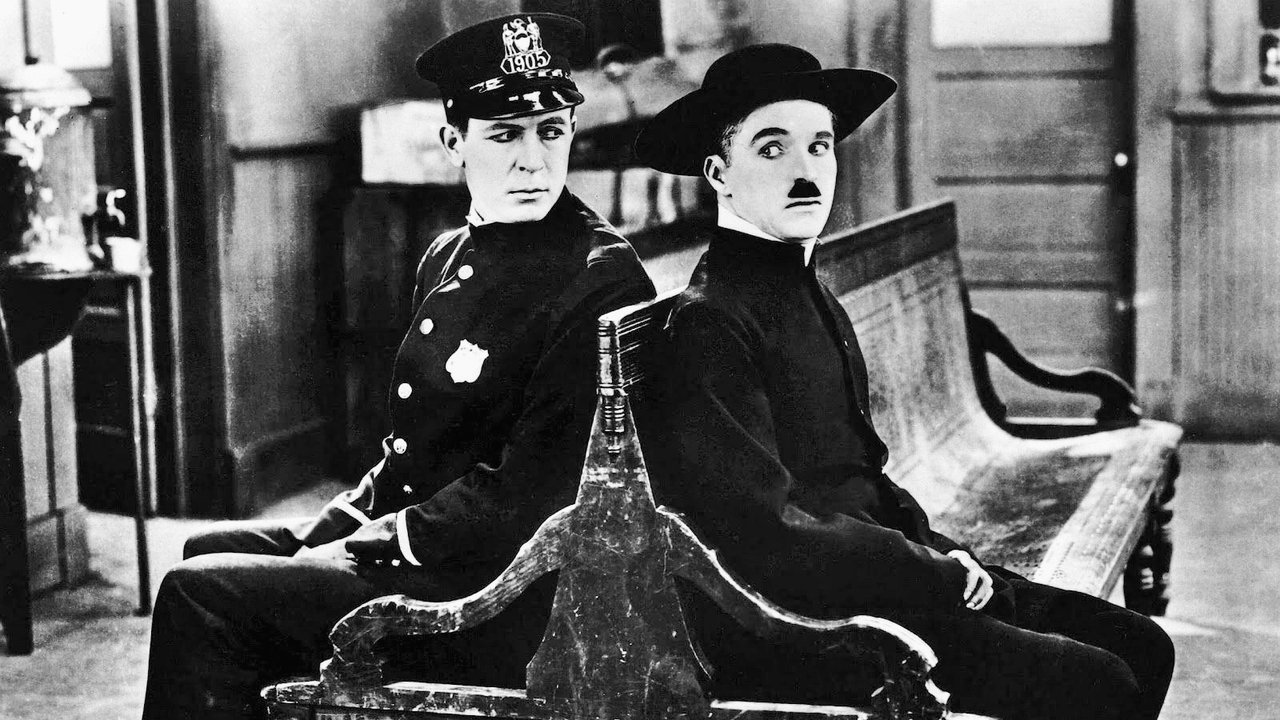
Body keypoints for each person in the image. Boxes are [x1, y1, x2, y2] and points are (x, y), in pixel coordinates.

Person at [632, 44, 1173, 720]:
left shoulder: (804, 288)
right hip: (806, 622)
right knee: (1101, 682)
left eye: (820, 146)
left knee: (1143, 645)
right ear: (719, 173)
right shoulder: (711, 321)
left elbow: (863, 475)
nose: (806, 172)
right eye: (772, 150)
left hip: (878, 575)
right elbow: (765, 535)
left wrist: (947, 556)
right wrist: (931, 572)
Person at [141, 13, 655, 719]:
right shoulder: (447, 255)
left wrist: (368, 546)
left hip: (491, 594)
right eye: (505, 135)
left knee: (199, 595)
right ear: (455, 144)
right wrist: (334, 528)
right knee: (208, 547)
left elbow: (532, 493)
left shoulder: (600, 278)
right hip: (438, 550)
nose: (534, 161)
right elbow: (414, 450)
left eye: (551, 132)